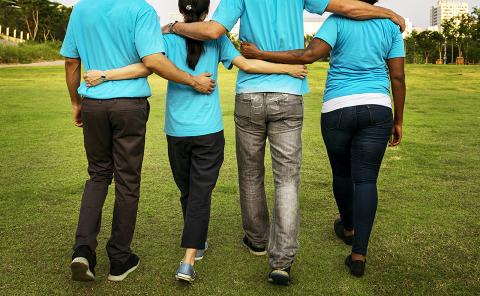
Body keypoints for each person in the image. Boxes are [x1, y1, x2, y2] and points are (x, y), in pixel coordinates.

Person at [163, 0, 406, 285]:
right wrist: (387, 12)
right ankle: (282, 261)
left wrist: (174, 26)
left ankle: (256, 241)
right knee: (287, 180)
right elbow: (349, 8)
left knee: (251, 174)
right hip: (289, 95)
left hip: (250, 95)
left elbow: (214, 30)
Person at [83, 0, 307, 284]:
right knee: (199, 194)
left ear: (181, 10)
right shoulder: (218, 40)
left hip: (176, 131)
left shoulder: (166, 37)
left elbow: (145, 65)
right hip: (208, 131)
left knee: (188, 191)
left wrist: (104, 75)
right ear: (206, 14)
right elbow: (247, 65)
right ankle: (191, 254)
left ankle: (196, 246)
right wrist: (287, 70)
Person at [241, 0, 406, 278]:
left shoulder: (336, 22)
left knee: (342, 173)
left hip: (337, 107)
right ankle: (358, 254)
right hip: (378, 106)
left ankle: (349, 228)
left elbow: (308, 55)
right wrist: (398, 119)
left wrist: (261, 53)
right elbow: (398, 76)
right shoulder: (390, 26)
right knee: (366, 180)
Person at [61, 0, 216, 282]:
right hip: (129, 106)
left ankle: (83, 250)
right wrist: (193, 81)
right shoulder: (141, 10)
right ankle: (120, 260)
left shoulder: (81, 9)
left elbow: (71, 61)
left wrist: (75, 102)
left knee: (97, 176)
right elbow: (153, 61)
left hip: (93, 104)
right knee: (127, 181)